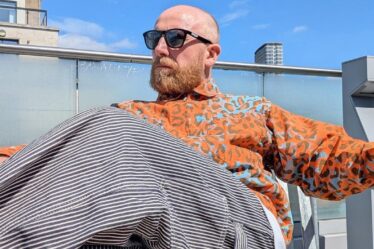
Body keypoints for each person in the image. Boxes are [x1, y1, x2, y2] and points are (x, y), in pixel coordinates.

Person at [0, 4, 373, 248]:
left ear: (211, 54)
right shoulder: (132, 114)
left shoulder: (249, 110)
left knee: (111, 128)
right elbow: (38, 158)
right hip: (146, 227)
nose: (160, 49)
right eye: (154, 38)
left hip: (243, 226)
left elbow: (328, 156)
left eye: (175, 38)